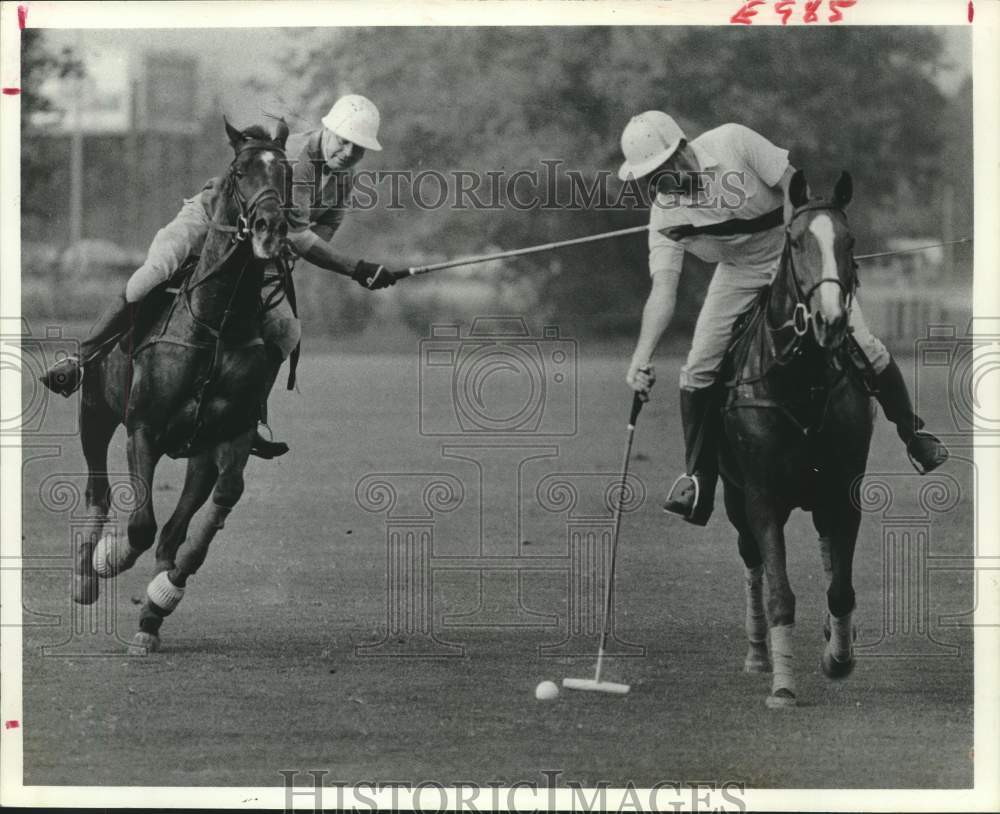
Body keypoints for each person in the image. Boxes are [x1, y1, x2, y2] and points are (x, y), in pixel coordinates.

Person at [619, 111, 948, 526]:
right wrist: (641, 356)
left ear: (684, 148)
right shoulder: (665, 216)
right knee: (697, 368)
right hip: (737, 272)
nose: (665, 180)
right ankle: (698, 480)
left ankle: (913, 434)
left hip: (792, 255)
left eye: (668, 167)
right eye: (653, 177)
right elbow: (663, 290)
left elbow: (795, 184)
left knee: (863, 342)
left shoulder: (734, 142)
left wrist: (799, 246)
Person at [42, 94, 399, 459]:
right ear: (327, 129)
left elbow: (326, 226)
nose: (349, 152)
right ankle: (80, 363)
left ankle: (249, 417)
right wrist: (357, 268)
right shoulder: (291, 159)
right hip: (210, 220)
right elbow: (300, 235)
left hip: (258, 246)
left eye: (359, 148)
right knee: (150, 276)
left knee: (286, 329)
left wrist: (293, 254)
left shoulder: (344, 177)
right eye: (344, 141)